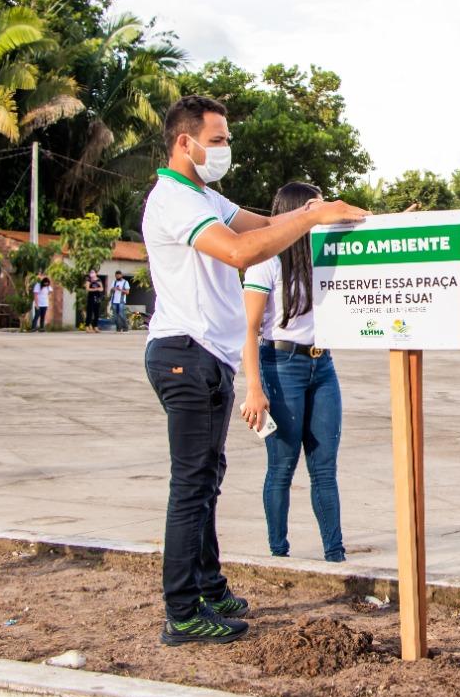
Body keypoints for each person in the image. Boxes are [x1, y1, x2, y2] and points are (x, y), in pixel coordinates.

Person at [142, 94, 366, 646]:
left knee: (207, 480)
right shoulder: (174, 201)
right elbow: (241, 252)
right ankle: (182, 612)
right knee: (191, 486)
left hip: (205, 357)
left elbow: (266, 222)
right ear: (184, 142)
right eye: (217, 140)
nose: (225, 149)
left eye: (226, 140)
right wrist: (312, 215)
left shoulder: (205, 195)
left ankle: (210, 587)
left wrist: (327, 213)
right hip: (184, 354)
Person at [241, 182, 346, 563]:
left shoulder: (326, 256)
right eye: (314, 208)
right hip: (280, 367)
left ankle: (335, 555)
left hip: (324, 367)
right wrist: (254, 388)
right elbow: (249, 329)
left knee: (324, 469)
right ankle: (278, 553)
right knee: (282, 467)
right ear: (295, 211)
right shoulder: (266, 261)